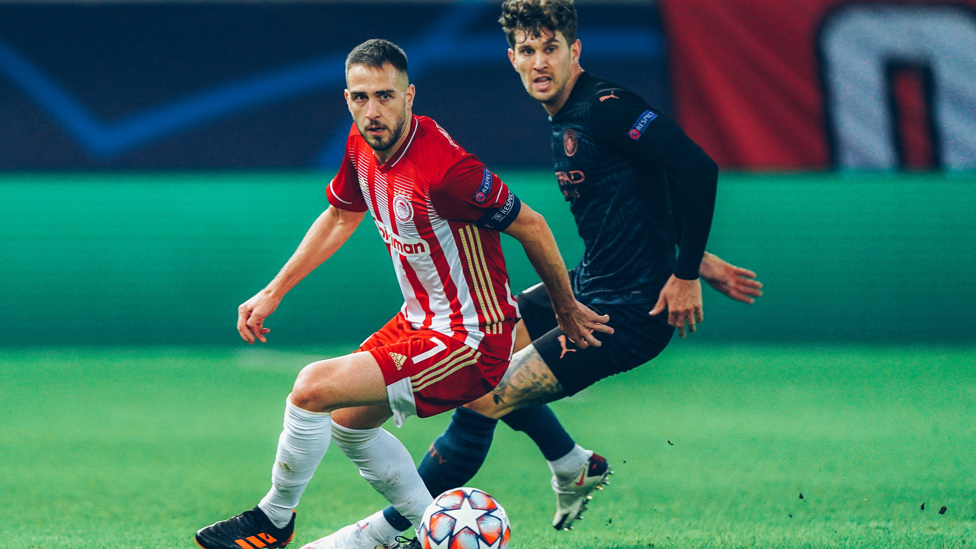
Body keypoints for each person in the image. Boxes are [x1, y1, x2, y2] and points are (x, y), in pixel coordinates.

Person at [303, 1, 764, 548]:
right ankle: (572, 463)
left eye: (551, 48)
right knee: (492, 340)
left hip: (632, 310)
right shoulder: (564, 117)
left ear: (575, 51)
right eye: (527, 50)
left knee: (480, 398)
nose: (539, 62)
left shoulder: (608, 108)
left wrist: (686, 272)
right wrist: (693, 258)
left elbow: (694, 167)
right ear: (513, 59)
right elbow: (639, 192)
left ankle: (378, 537)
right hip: (591, 281)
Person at [193, 38, 611, 549]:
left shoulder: (448, 172)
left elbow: (534, 225)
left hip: (470, 339)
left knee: (310, 388)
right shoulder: (359, 144)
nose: (373, 111)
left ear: (410, 96)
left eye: (386, 96)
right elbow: (342, 214)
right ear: (347, 98)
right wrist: (274, 290)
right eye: (361, 97)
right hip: (420, 322)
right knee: (347, 424)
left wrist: (566, 308)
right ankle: (434, 529)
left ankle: (274, 519)